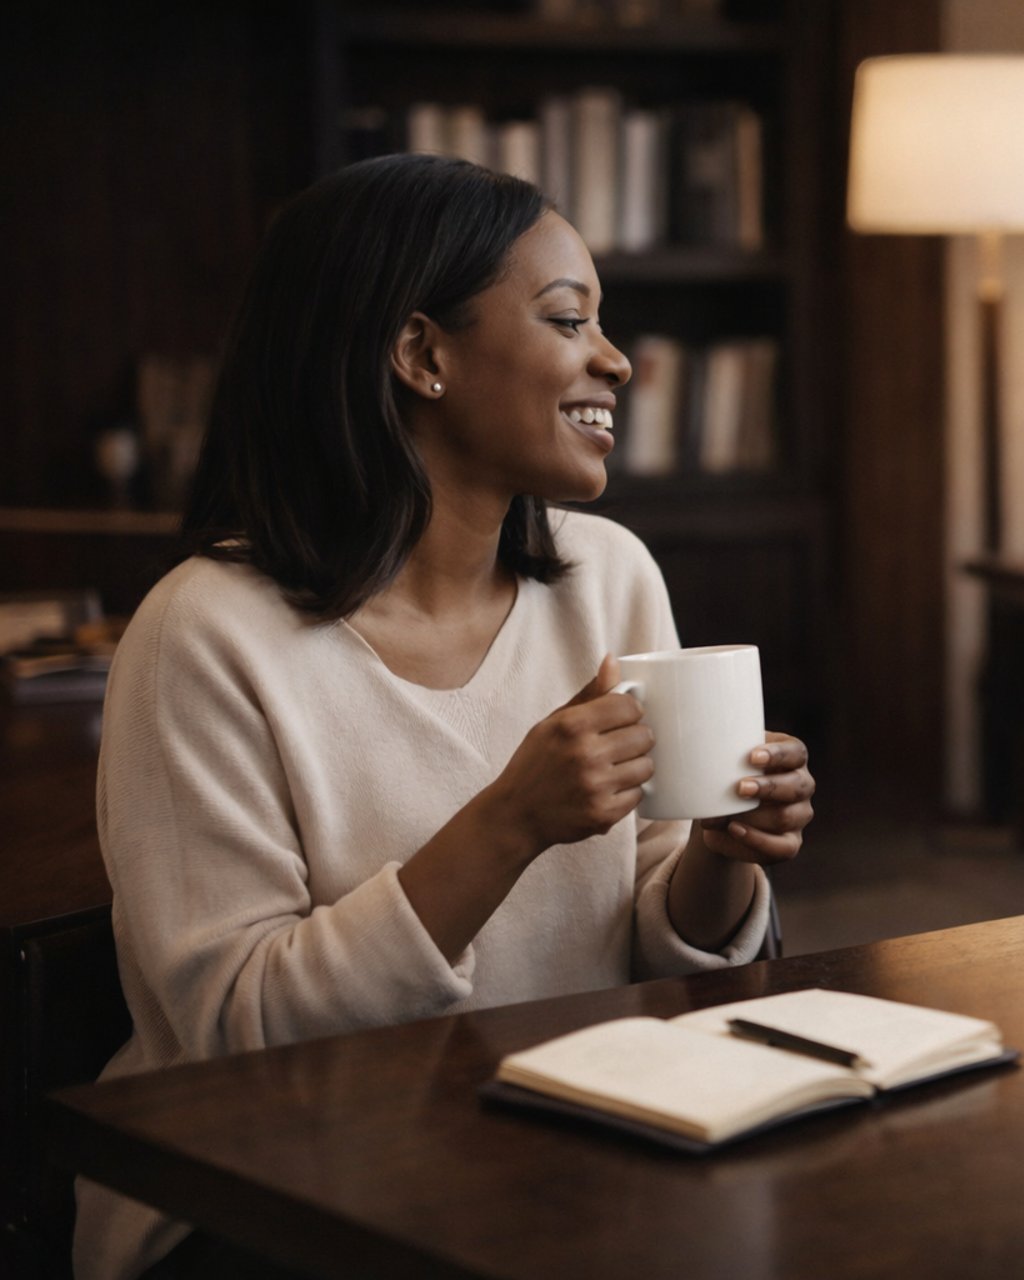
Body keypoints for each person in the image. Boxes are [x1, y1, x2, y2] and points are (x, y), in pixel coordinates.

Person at [77, 154, 816, 1280]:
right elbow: (233, 1039)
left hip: (568, 1143)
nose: (616, 360)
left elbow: (673, 958)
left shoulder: (606, 575)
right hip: (271, 1197)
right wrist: (509, 820)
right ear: (421, 353)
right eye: (569, 319)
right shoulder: (203, 634)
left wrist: (720, 858)